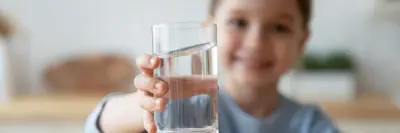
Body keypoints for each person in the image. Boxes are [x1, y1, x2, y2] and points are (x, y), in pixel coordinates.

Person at [85, 0, 340, 133]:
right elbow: (101, 124)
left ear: (302, 41)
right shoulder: (183, 112)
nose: (255, 43)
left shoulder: (311, 125)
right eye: (239, 22)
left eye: (279, 27)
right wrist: (143, 105)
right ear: (209, 32)